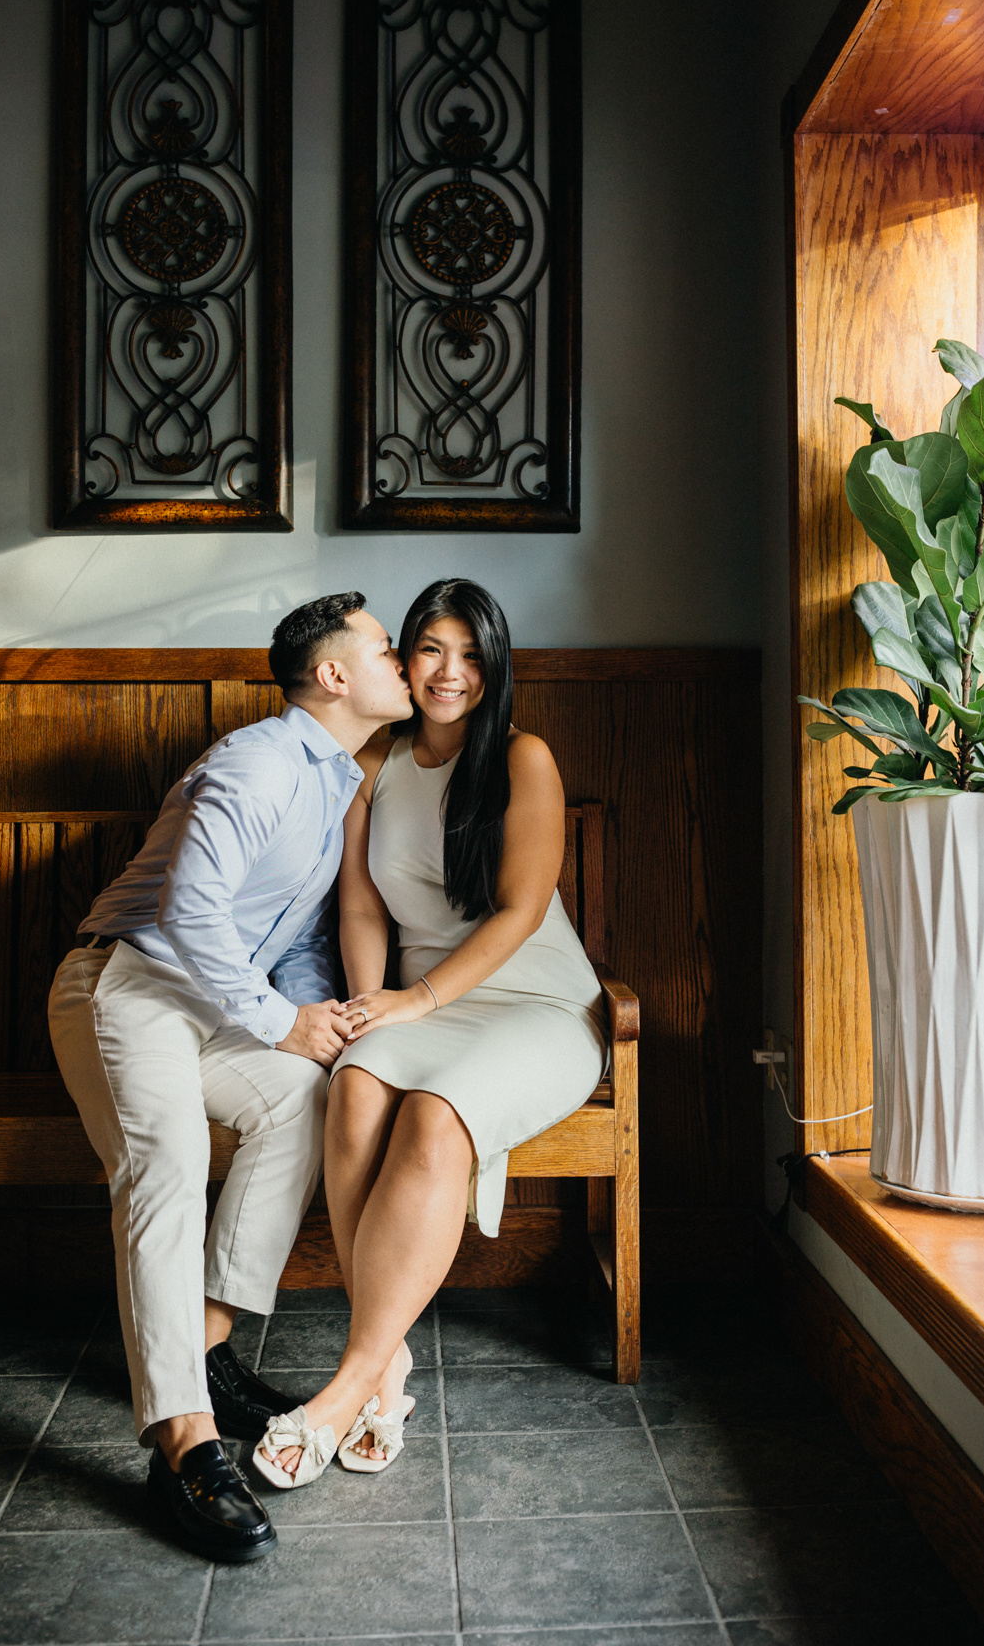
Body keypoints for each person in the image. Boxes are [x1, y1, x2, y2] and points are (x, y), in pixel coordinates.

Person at [48, 593, 412, 1559]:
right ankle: (182, 1445)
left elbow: (290, 941)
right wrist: (281, 1021)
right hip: (125, 984)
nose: (401, 662)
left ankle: (204, 1351)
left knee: (303, 1099)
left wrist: (325, 1025)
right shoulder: (259, 762)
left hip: (208, 1004)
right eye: (385, 649)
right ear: (333, 675)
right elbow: (191, 913)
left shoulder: (334, 781)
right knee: (165, 1163)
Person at [254, 578, 606, 1487]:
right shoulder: (374, 762)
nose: (451, 673)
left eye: (473, 656)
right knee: (355, 1086)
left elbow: (520, 912)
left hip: (534, 1003)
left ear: (496, 668)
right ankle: (390, 1362)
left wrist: (417, 1000)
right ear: (404, 659)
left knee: (434, 1117)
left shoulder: (524, 758)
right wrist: (370, 1003)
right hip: (415, 1001)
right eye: (431, 650)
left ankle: (347, 1388)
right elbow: (361, 905)